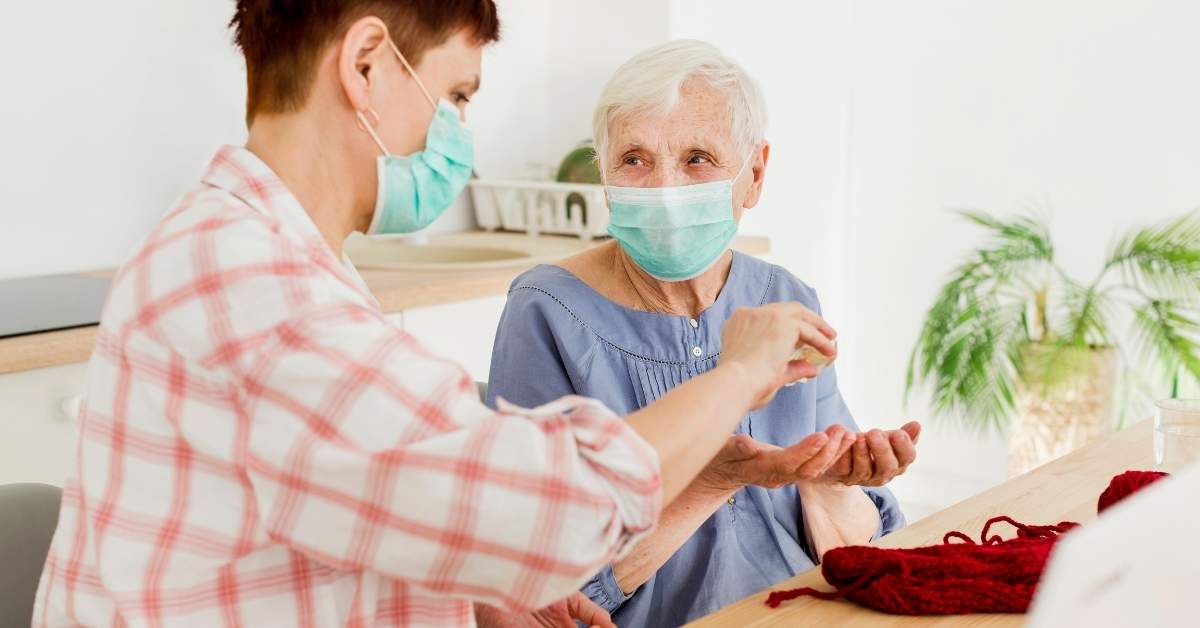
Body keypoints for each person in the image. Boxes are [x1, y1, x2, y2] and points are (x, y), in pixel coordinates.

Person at [32, 4, 843, 627]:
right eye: (454, 94)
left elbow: (354, 496)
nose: (455, 133)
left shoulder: (268, 254)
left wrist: (474, 590)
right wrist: (738, 373)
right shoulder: (257, 290)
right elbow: (549, 505)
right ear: (366, 65)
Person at [482, 40, 921, 627]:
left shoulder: (786, 300)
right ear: (604, 175)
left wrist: (833, 483)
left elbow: (851, 545)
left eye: (697, 158)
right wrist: (712, 482)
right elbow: (533, 590)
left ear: (754, 174)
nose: (665, 189)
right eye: (634, 159)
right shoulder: (546, 311)